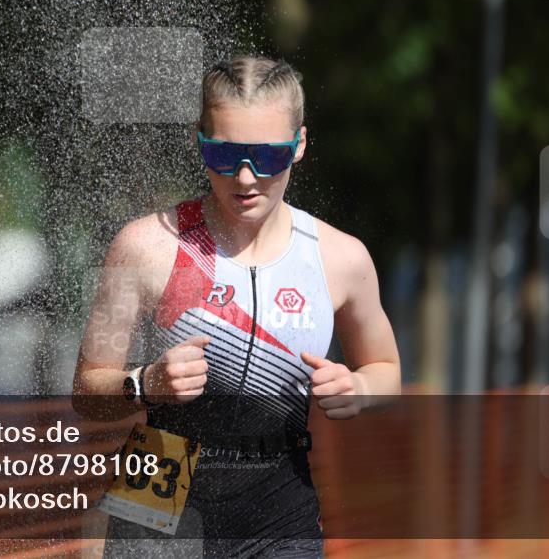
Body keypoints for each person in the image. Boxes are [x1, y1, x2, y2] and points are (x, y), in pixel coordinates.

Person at [72, 56, 402, 558]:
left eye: (267, 157)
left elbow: (387, 371)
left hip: (279, 488)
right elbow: (87, 390)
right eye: (225, 154)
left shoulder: (340, 257)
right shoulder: (146, 247)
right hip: (163, 467)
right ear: (198, 142)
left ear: (300, 145)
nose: (246, 178)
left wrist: (358, 387)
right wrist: (145, 383)